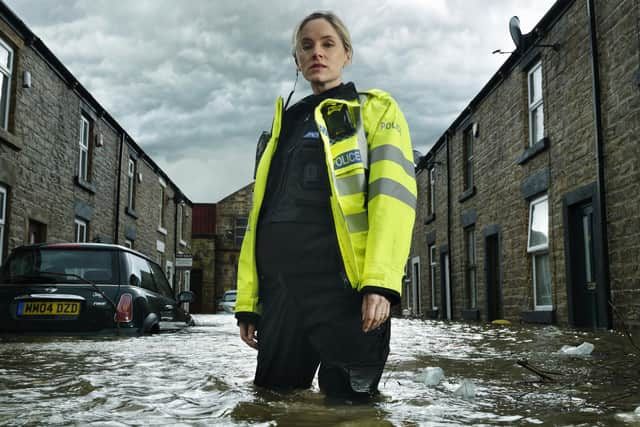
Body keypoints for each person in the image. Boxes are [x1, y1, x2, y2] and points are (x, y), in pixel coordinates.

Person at [235, 11, 416, 399]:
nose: (317, 52)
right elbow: (259, 221)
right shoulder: (281, 128)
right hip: (282, 292)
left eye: (327, 43)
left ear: (346, 53)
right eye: (307, 45)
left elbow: (393, 201)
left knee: (351, 408)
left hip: (345, 293)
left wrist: (380, 283)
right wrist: (249, 303)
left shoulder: (374, 111)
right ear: (297, 60)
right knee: (271, 402)